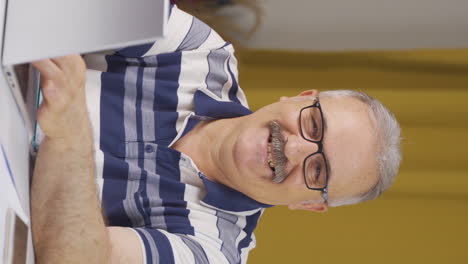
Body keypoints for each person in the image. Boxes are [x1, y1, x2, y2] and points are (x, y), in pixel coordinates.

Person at [30, 4, 401, 264]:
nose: (294, 145)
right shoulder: (199, 50)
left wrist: (69, 134)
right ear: (302, 97)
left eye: (318, 170)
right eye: (314, 125)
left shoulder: (213, 251)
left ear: (309, 204)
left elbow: (74, 259)